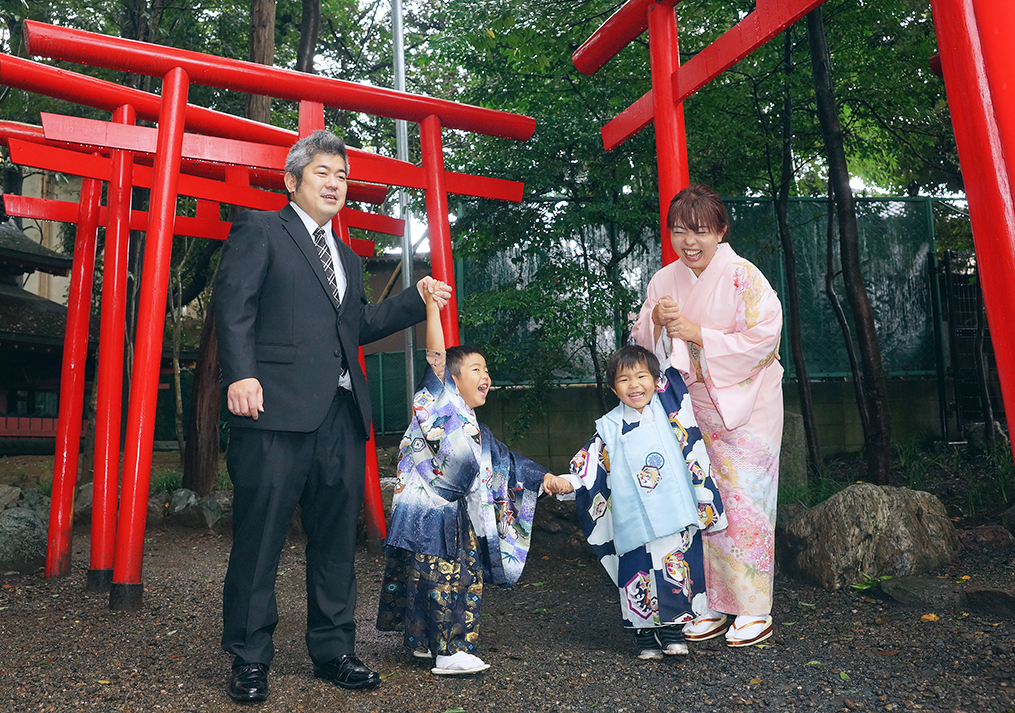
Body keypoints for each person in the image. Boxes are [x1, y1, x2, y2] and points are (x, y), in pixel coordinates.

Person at [214, 129, 452, 703]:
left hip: (341, 417)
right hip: (271, 413)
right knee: (261, 537)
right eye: (323, 172)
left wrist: (417, 298)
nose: (335, 183)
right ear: (293, 180)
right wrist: (240, 373)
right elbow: (234, 304)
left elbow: (357, 327)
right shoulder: (261, 230)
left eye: (342, 176)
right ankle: (248, 658)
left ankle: (334, 649)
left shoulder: (345, 254)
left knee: (334, 542)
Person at [376, 282, 571, 675]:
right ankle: (450, 653)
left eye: (487, 370)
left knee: (423, 576)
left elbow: (506, 462)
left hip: (439, 514)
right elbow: (436, 354)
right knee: (454, 576)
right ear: (452, 377)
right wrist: (432, 307)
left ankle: (423, 641)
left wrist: (545, 478)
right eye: (477, 369)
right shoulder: (441, 399)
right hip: (433, 511)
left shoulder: (472, 426)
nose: (487, 376)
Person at [631, 183, 783, 648]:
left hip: (746, 408)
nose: (689, 242)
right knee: (703, 502)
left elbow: (765, 339)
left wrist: (698, 333)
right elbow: (642, 346)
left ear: (720, 230)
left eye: (699, 231)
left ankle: (754, 607)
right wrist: (656, 321)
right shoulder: (664, 280)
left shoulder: (743, 276)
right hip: (691, 410)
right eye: (679, 231)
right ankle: (714, 602)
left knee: (747, 505)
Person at [553, 344, 726, 659]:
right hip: (634, 518)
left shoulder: (669, 409)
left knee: (676, 569)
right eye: (624, 380)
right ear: (611, 388)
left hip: (675, 509)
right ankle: (645, 638)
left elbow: (670, 358)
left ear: (656, 379)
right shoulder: (609, 427)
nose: (634, 385)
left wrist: (660, 325)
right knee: (638, 573)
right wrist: (568, 481)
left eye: (642, 376)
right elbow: (590, 466)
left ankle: (673, 631)